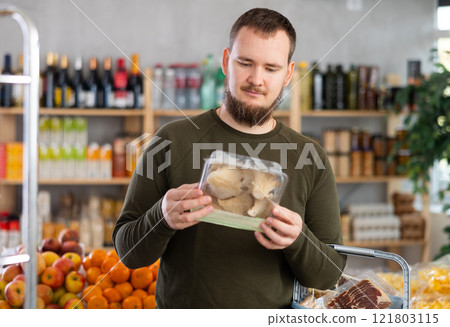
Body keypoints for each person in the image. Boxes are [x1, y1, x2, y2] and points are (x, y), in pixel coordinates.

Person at [113, 8, 346, 309]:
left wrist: (298, 240)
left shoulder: (309, 157)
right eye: (245, 63)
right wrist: (162, 216)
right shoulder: (171, 140)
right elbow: (128, 253)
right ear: (226, 61)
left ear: (288, 75)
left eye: (271, 68)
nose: (256, 79)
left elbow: (329, 276)